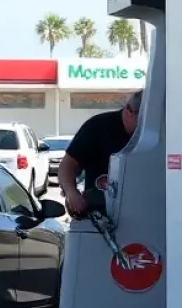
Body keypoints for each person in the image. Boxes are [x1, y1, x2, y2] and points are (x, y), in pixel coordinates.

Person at [59, 91, 143, 219]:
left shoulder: (158, 134)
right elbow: (68, 165)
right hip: (101, 215)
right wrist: (71, 193)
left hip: (142, 211)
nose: (145, 127)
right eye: (142, 120)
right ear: (129, 110)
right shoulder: (97, 127)